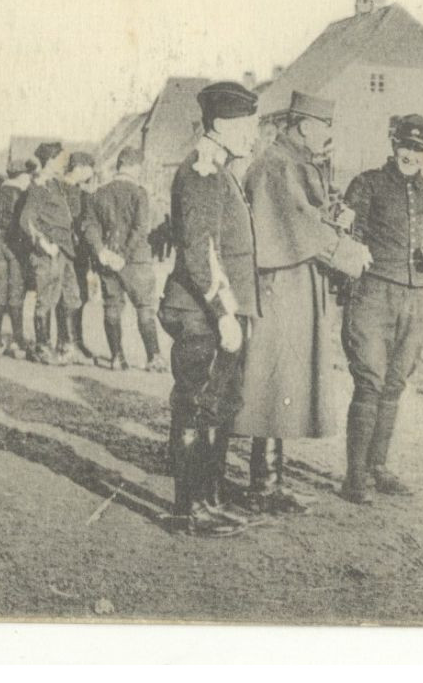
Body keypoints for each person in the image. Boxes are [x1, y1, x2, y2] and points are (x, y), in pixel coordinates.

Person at [236, 91, 371, 507]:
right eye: (324, 128)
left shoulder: (288, 163)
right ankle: (263, 484)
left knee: (280, 380)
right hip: (282, 286)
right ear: (308, 125)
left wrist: (333, 221)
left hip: (292, 281)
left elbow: (306, 217)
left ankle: (269, 478)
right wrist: (349, 252)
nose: (327, 137)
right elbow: (296, 224)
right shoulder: (278, 165)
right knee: (274, 380)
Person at [159, 81, 260, 535]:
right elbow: (201, 250)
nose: (254, 135)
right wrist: (222, 311)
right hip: (201, 311)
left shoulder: (219, 170)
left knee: (217, 405)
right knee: (196, 406)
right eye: (248, 126)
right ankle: (188, 510)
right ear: (222, 125)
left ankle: (208, 499)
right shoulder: (203, 171)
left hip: (216, 309)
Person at [337, 113, 423, 502]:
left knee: (395, 382)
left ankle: (378, 466)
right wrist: (356, 249)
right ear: (393, 145)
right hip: (372, 293)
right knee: (370, 380)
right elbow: (345, 231)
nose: (411, 155)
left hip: (416, 296)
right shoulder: (366, 184)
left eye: (420, 150)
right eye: (406, 146)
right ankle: (355, 477)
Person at [83, 146, 166, 372]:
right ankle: (154, 357)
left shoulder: (98, 193)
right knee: (145, 308)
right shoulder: (139, 193)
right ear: (135, 166)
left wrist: (102, 251)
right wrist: (124, 255)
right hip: (136, 261)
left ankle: (117, 357)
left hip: (108, 260)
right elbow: (141, 229)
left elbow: (89, 226)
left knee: (112, 306)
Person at [19, 143, 76, 365]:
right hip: (49, 251)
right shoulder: (39, 185)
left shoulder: (54, 184)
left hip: (63, 249)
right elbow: (27, 219)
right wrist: (43, 243)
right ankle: (42, 347)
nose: (64, 163)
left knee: (60, 296)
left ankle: (58, 346)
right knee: (46, 299)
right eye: (61, 159)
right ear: (50, 160)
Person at [0, 159, 34, 357]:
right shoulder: (23, 195)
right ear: (21, 175)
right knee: (16, 292)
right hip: (16, 245)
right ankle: (18, 342)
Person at [57, 152, 100, 363]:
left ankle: (75, 341)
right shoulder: (63, 190)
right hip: (68, 252)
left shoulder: (78, 191)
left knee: (78, 296)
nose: (93, 173)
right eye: (91, 168)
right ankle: (68, 343)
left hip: (78, 252)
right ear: (81, 168)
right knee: (70, 296)